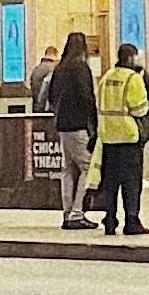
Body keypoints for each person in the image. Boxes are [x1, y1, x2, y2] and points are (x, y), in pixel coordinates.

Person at [95, 36, 149, 238]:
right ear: (129, 58)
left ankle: (110, 219)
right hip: (128, 137)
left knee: (110, 182)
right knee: (131, 182)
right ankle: (132, 220)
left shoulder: (106, 77)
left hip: (108, 136)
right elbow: (139, 109)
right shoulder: (132, 78)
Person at [49, 26, 100, 228]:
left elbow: (51, 96)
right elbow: (87, 98)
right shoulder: (81, 68)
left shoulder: (59, 68)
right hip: (78, 124)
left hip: (62, 123)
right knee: (87, 166)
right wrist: (93, 123)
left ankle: (67, 211)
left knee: (68, 169)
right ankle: (77, 213)